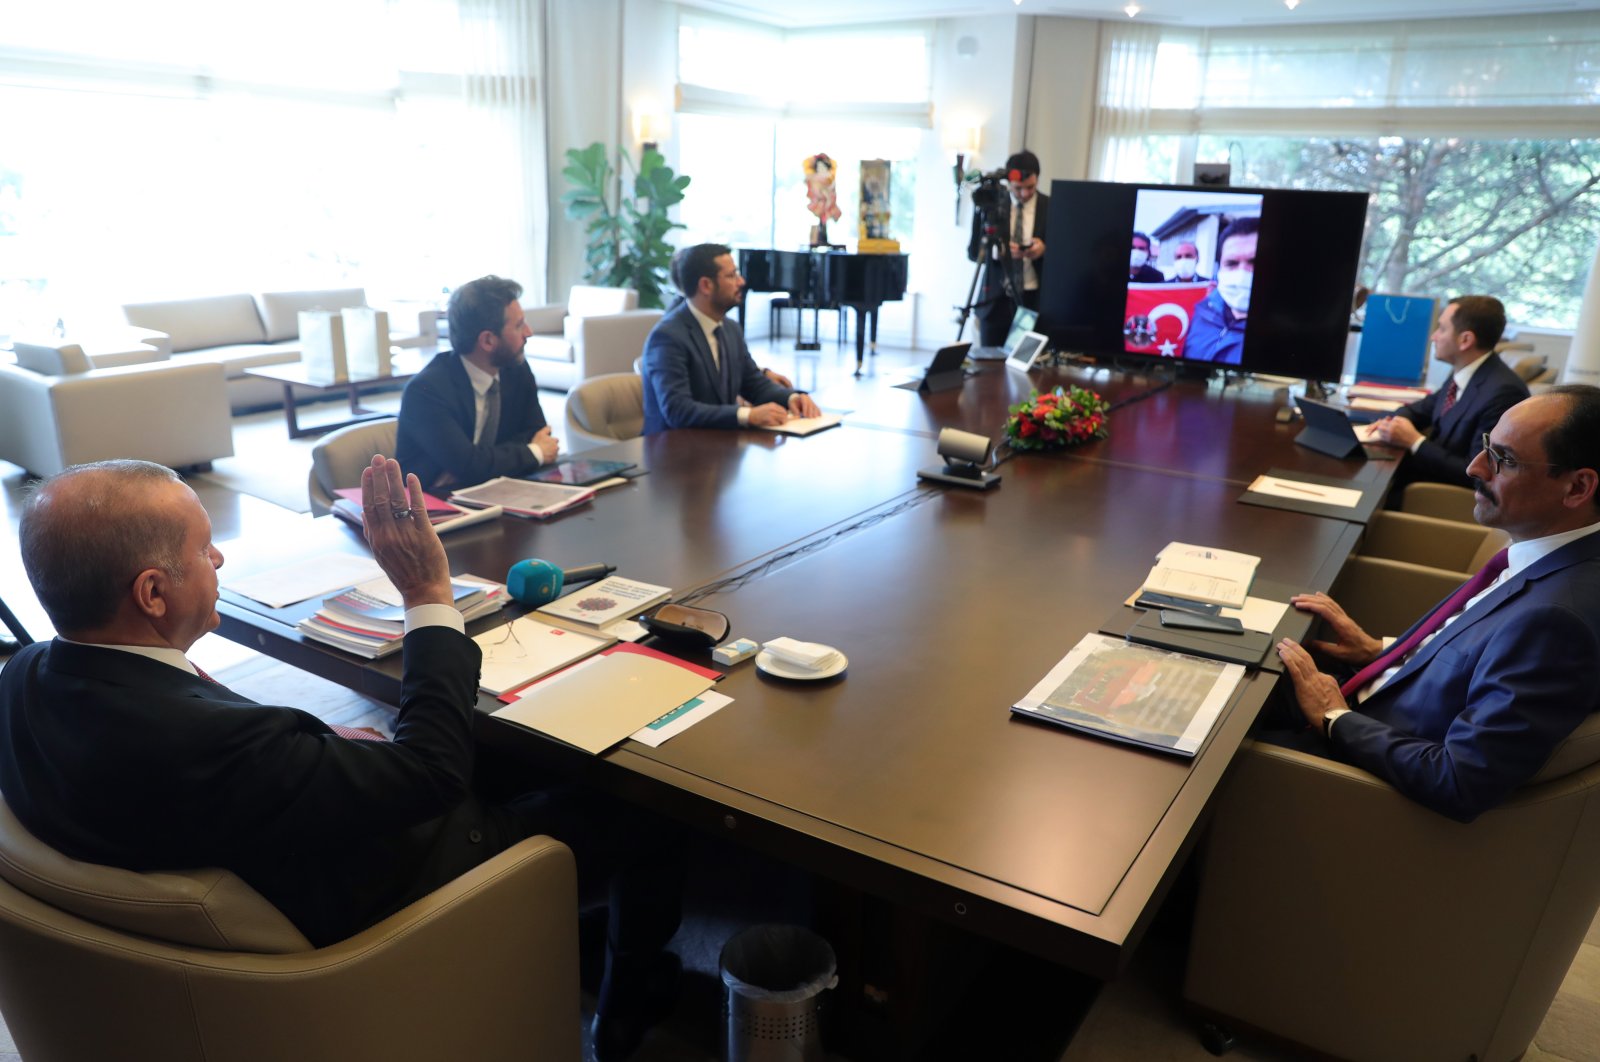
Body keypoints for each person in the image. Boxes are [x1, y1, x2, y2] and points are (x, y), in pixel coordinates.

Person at [0, 457, 682, 1059]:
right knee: (639, 803)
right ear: (152, 593)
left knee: (509, 745)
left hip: (259, 848)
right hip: (397, 888)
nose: (219, 562)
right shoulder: (211, 748)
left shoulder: (26, 676)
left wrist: (311, 755)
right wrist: (427, 597)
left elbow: (197, 738)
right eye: (205, 549)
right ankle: (628, 1009)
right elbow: (432, 775)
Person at [1271, 386, 1600, 822]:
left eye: (1503, 459)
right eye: (1486, 446)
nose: (1474, 467)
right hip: (1377, 694)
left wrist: (1334, 717)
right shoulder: (1550, 556)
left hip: (1346, 775)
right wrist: (1383, 650)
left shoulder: (1560, 622)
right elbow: (1483, 655)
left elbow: (1459, 779)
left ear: (1577, 486)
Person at [396, 275, 558, 493]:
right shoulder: (427, 392)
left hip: (499, 494)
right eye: (519, 325)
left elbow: (538, 434)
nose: (529, 332)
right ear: (488, 340)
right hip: (432, 510)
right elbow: (471, 466)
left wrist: (484, 464)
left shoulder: (516, 369)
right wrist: (533, 453)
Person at [641, 243, 821, 433]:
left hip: (718, 448)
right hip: (670, 453)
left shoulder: (730, 329)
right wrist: (747, 415)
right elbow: (678, 411)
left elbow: (754, 384)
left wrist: (792, 398)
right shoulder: (668, 337)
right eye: (731, 275)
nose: (741, 281)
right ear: (706, 285)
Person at [1368, 294, 1529, 491]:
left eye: (1442, 329)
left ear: (1465, 340)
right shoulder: (1467, 371)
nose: (1433, 336)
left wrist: (1415, 442)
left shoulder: (1503, 393)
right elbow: (1422, 409)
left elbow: (1479, 473)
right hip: (1419, 478)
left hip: (1434, 495)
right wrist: (1391, 423)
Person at [966, 150, 1050, 347]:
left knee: (1023, 365)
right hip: (995, 299)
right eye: (1018, 188)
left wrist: (1043, 250)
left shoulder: (1049, 205)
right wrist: (1000, 252)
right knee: (989, 367)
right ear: (1008, 182)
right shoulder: (990, 204)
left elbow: (1063, 252)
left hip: (1031, 299)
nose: (1025, 194)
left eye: (1030, 187)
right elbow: (973, 252)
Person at [1183, 217, 1258, 364]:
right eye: (1232, 263)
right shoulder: (1201, 312)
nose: (1242, 273)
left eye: (1254, 262)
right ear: (1220, 269)